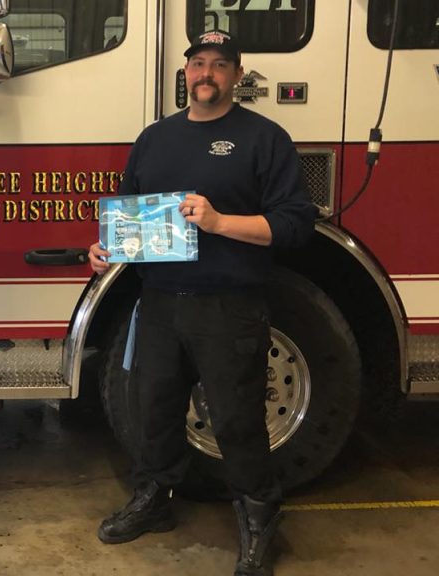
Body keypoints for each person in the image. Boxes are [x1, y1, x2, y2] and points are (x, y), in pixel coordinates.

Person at [88, 31, 316, 576]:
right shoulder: (154, 139)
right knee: (155, 412)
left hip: (229, 307)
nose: (206, 73)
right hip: (160, 304)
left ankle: (260, 519)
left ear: (238, 75)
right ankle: (156, 500)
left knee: (237, 422)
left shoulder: (265, 138)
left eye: (219, 64)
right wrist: (107, 248)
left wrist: (218, 223)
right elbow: (131, 215)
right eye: (197, 63)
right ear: (184, 73)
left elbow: (295, 225)